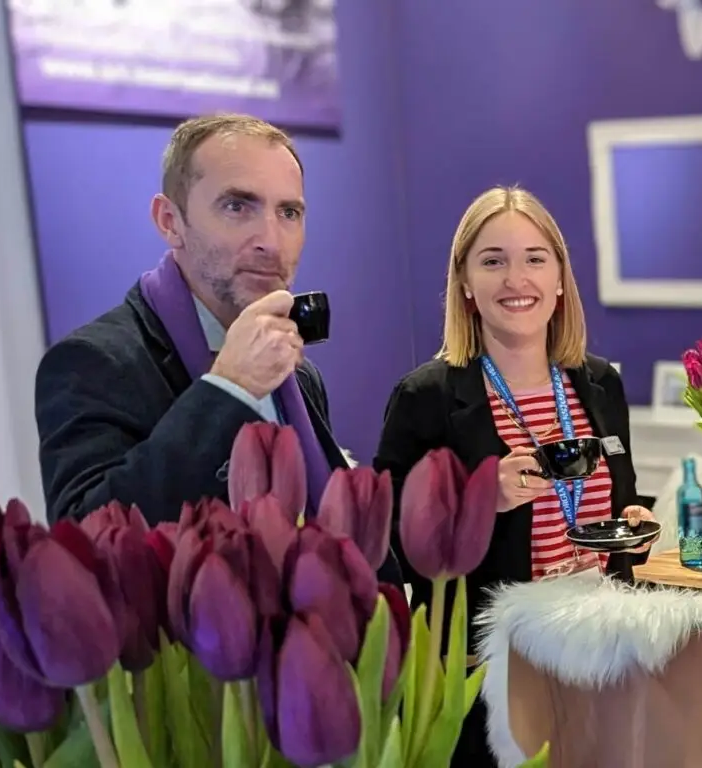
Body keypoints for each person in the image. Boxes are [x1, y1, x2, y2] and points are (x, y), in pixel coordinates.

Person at [34, 113, 401, 586]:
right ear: (170, 222)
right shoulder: (90, 362)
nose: (271, 240)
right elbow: (86, 549)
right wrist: (228, 391)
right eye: (237, 206)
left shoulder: (297, 376)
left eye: (289, 212)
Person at [373, 185, 659, 765]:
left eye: (534, 259)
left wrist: (632, 522)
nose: (516, 279)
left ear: (559, 278)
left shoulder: (599, 384)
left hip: (598, 654)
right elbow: (383, 539)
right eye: (493, 261)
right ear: (465, 285)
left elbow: (613, 500)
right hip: (487, 674)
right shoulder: (426, 397)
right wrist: (481, 502)